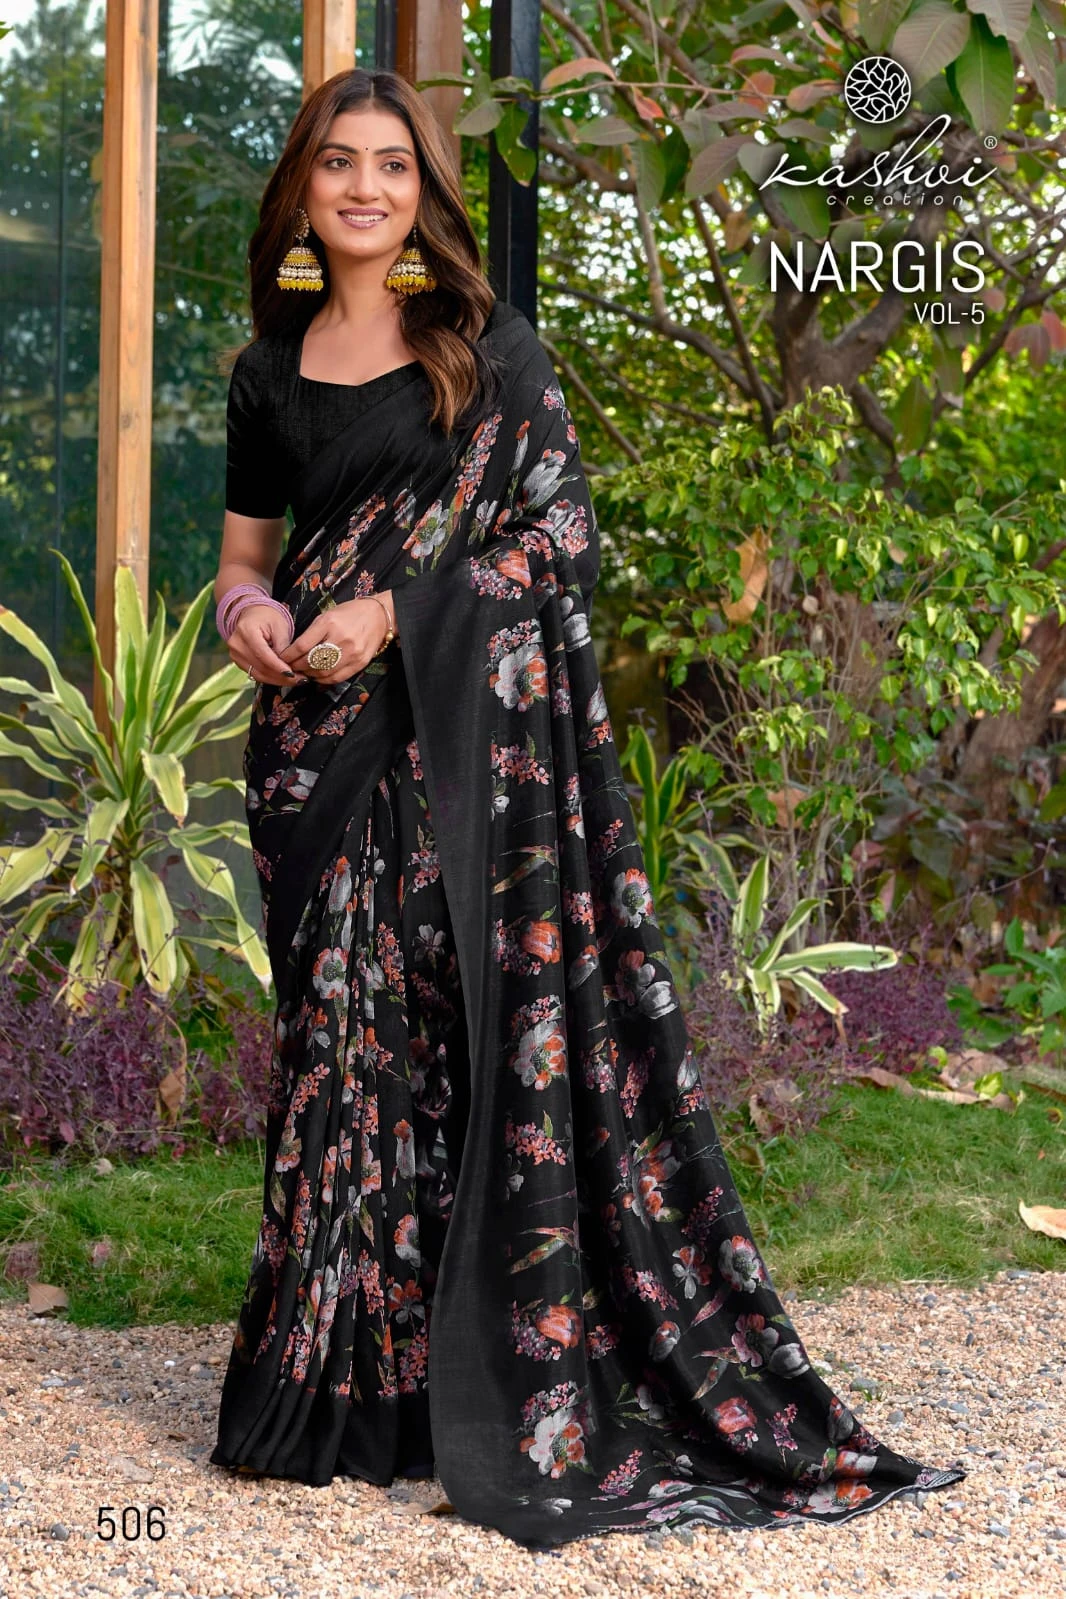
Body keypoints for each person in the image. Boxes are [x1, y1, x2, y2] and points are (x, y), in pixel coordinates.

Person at [208, 66, 965, 1549]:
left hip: (449, 747)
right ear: (301, 188)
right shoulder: (267, 369)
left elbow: (560, 535)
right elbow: (243, 554)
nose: (366, 189)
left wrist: (392, 610)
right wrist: (252, 613)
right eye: (339, 164)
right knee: (335, 1053)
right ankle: (336, 1391)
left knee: (443, 1040)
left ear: (426, 190)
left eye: (394, 165)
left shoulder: (485, 352)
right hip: (310, 754)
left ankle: (471, 1385)